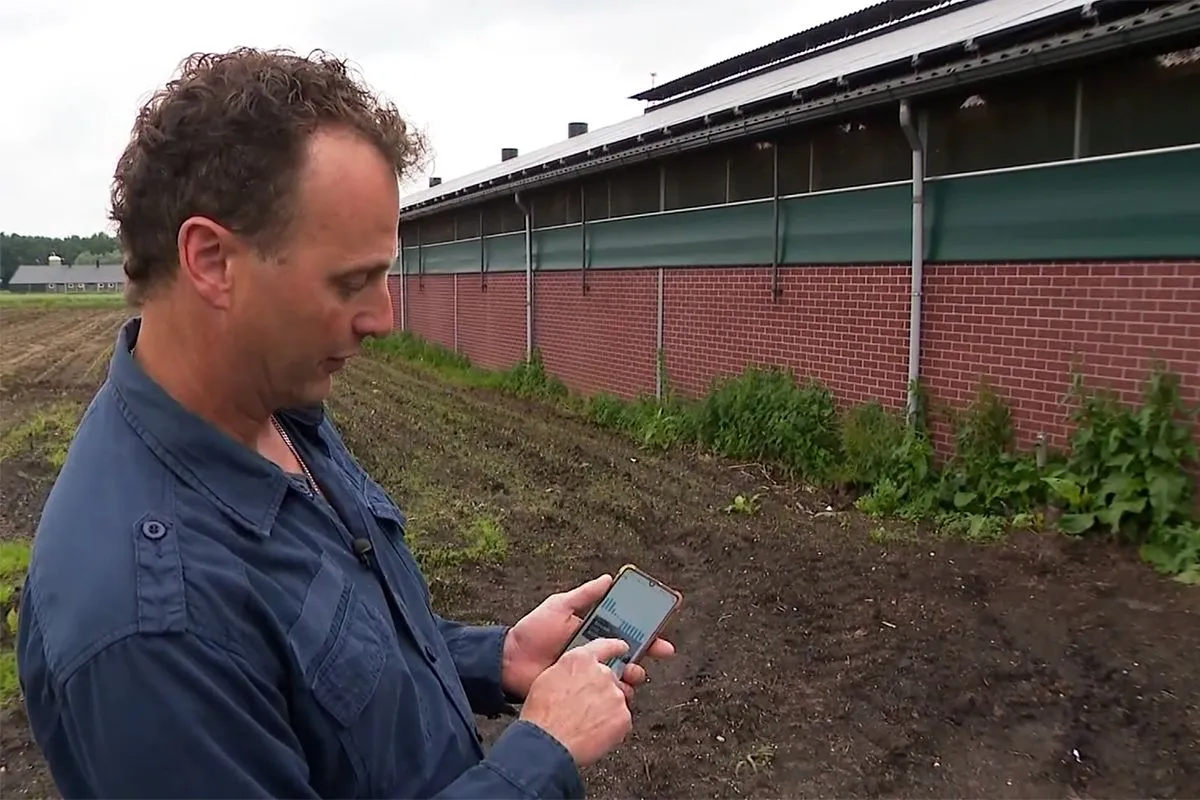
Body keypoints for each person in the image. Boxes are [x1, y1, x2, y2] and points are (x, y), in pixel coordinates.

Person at [15, 47, 674, 799]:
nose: (384, 319)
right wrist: (539, 754)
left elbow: (331, 669)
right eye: (351, 281)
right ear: (211, 260)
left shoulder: (278, 412)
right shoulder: (150, 627)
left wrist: (496, 660)